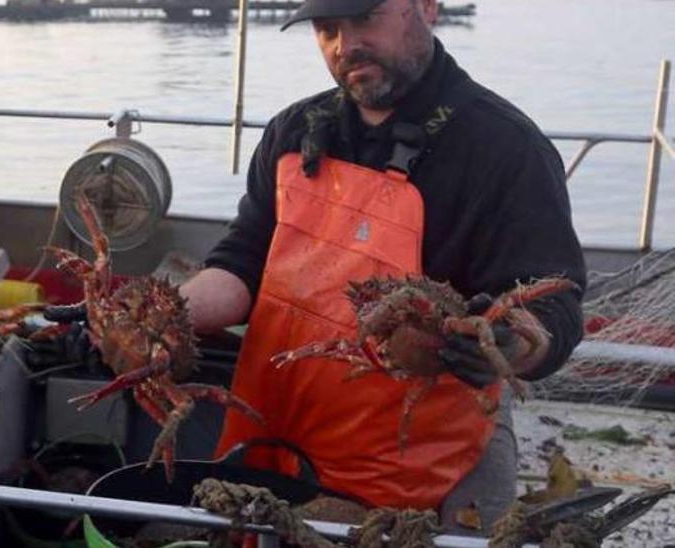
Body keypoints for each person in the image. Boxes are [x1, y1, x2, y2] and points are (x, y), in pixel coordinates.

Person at [178, 0, 585, 530]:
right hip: (277, 441)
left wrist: (508, 343)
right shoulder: (294, 130)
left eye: (365, 19)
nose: (345, 46)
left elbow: (556, 305)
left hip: (426, 469)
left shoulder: (506, 148)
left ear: (427, 8)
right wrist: (170, 314)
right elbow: (239, 265)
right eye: (326, 29)